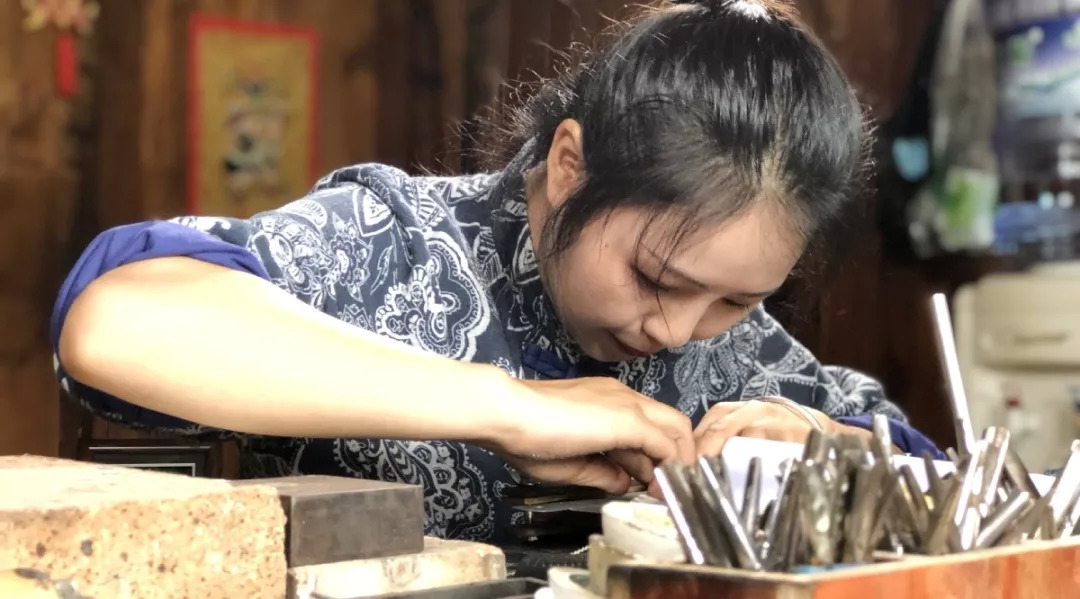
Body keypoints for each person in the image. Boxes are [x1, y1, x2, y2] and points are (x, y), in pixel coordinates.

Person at [51, 0, 941, 543]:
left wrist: (837, 448)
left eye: (737, 299)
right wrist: (509, 406)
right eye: (656, 277)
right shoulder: (395, 239)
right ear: (570, 165)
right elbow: (115, 318)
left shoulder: (744, 355)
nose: (677, 330)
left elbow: (933, 473)